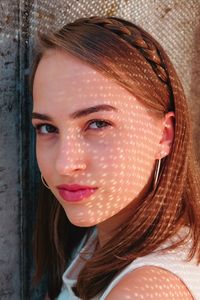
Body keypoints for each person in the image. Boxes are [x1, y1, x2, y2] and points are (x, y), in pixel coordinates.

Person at [30, 16, 200, 300]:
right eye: (47, 128)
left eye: (97, 123)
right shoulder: (105, 236)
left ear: (164, 135)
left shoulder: (149, 290)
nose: (64, 164)